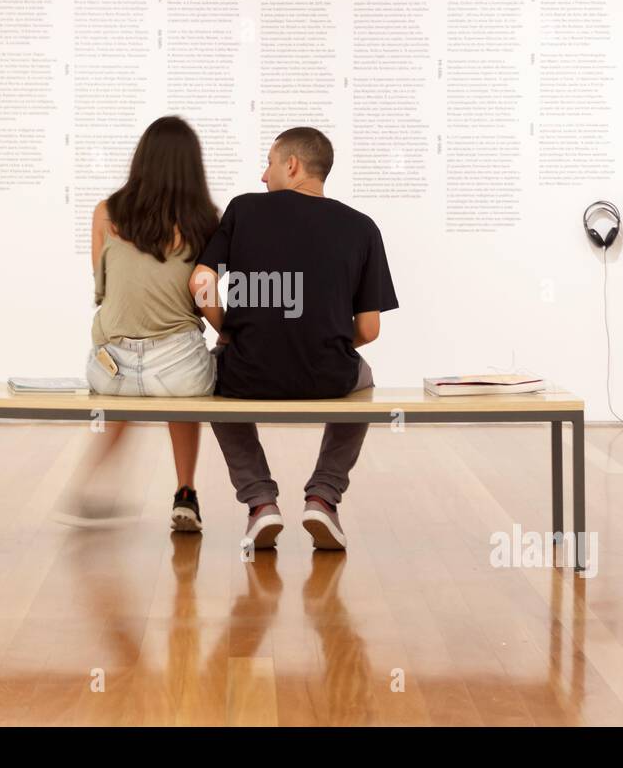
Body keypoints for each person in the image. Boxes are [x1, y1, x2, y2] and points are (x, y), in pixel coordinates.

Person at [188, 127, 398, 552]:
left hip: (247, 375)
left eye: (268, 163)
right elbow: (370, 329)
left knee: (213, 383)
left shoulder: (244, 210)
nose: (263, 177)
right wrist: (324, 340)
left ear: (292, 165)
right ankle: (324, 495)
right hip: (329, 378)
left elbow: (201, 280)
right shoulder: (363, 227)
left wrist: (228, 331)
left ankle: (260, 501)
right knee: (366, 379)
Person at [55, 116, 220, 532]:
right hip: (179, 371)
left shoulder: (106, 213)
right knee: (183, 390)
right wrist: (230, 331)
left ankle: (87, 483)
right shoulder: (205, 218)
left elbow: (104, 286)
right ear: (191, 165)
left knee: (126, 390)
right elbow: (203, 296)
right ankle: (186, 492)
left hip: (112, 370)